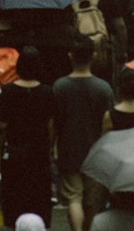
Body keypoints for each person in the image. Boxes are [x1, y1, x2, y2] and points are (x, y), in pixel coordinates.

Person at [53, 40, 114, 231]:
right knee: (92, 203)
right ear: (93, 56)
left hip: (69, 150)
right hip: (96, 154)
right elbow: (109, 124)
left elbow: (54, 122)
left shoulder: (60, 86)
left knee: (73, 198)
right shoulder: (104, 88)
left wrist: (52, 146)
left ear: (70, 56)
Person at [0, 45, 54, 231]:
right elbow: (50, 124)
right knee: (39, 196)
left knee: (13, 196)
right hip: (39, 152)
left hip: (15, 151)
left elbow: (2, 124)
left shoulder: (7, 92)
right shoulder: (47, 92)